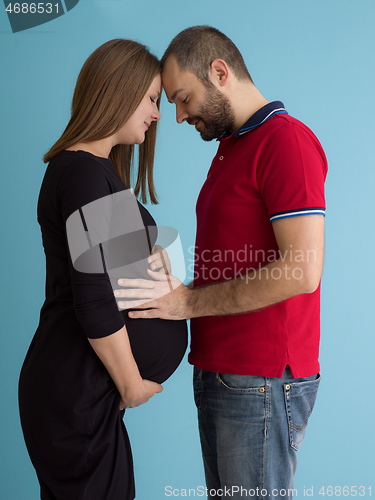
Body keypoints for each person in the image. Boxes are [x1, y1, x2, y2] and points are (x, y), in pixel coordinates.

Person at [114, 26, 327, 499]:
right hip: (221, 372)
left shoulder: (285, 142)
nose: (178, 114)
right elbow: (239, 259)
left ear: (220, 71)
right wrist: (176, 283)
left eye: (183, 98)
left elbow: (302, 270)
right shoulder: (231, 148)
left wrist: (188, 301)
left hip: (261, 380)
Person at [18, 39, 188, 500]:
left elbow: (119, 279)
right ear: (119, 88)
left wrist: (160, 265)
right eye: (152, 98)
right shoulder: (83, 174)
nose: (157, 116)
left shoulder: (91, 172)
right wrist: (131, 385)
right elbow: (94, 301)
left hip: (83, 398)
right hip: (77, 397)